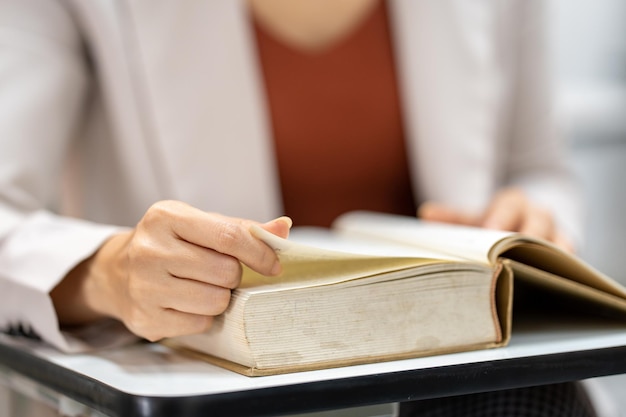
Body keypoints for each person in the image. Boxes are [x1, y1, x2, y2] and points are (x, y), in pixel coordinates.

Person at [0, 0, 595, 415]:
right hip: (206, 388)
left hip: (451, 380)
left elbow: (537, 169)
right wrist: (109, 271)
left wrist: (529, 217)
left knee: (529, 400)